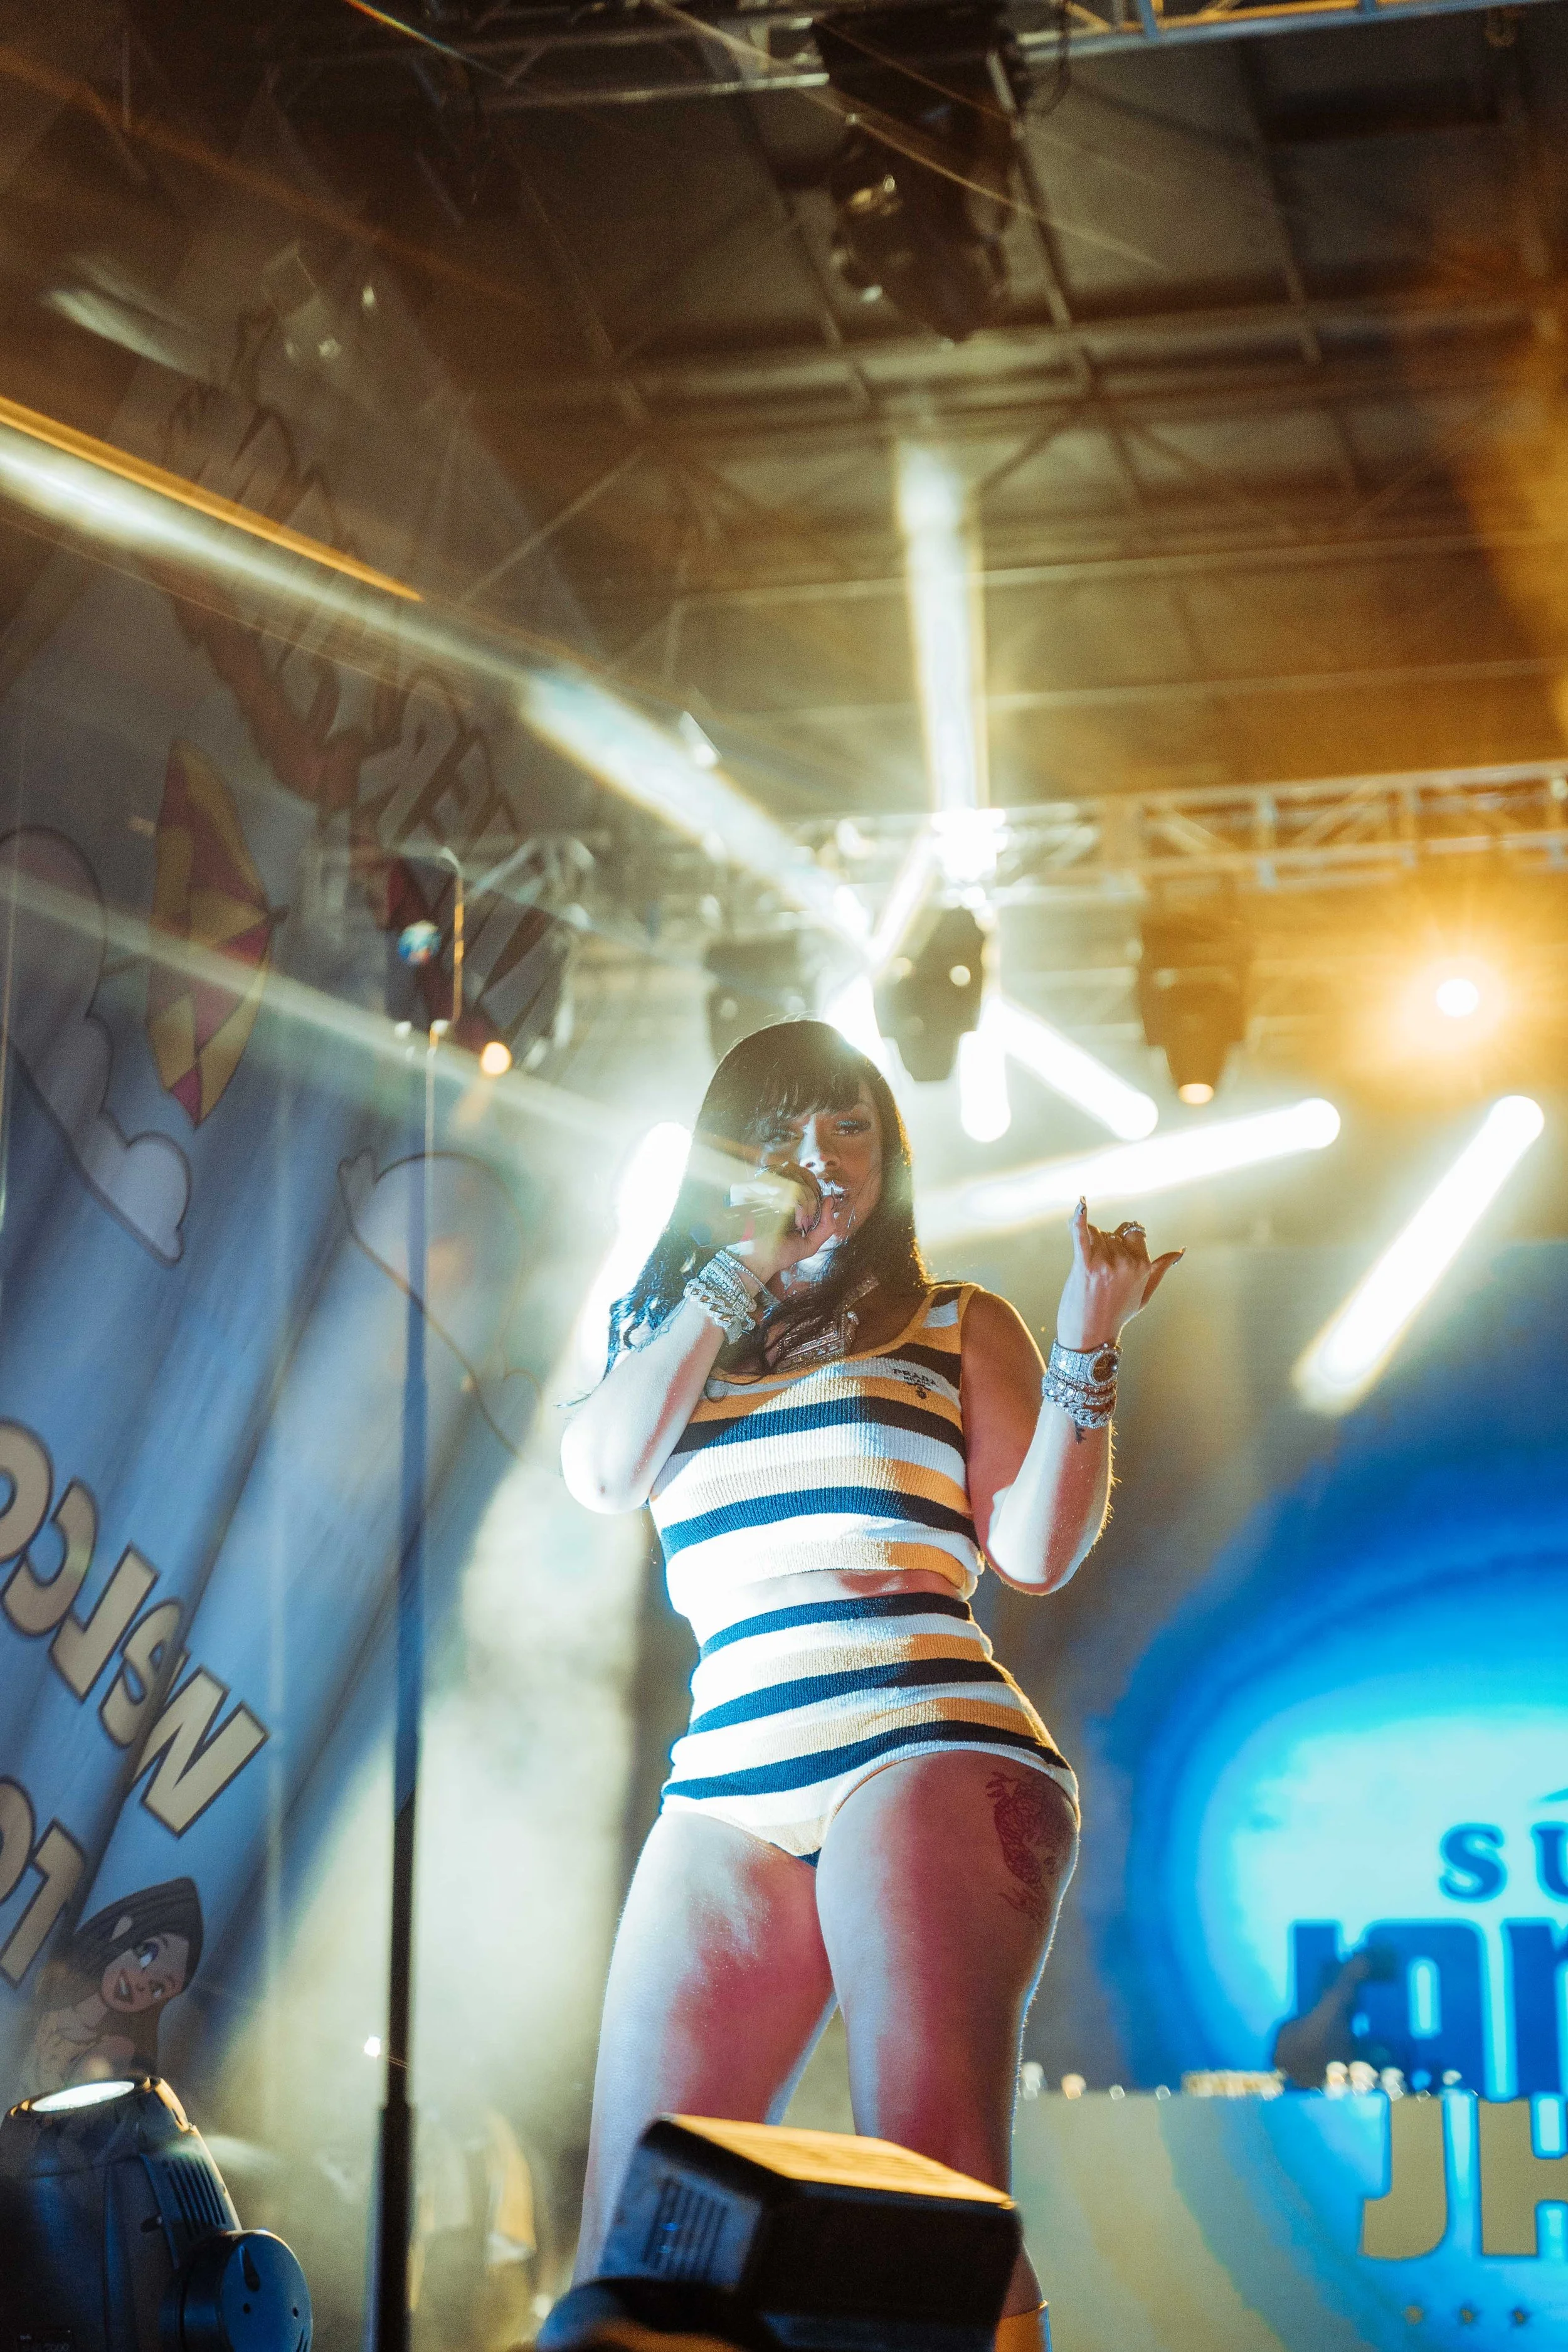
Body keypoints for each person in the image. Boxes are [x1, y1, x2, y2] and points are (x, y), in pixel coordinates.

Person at [561, 1022, 1180, 2350]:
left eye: (846, 1127)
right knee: (641, 2218)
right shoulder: (663, 1328)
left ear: (889, 1157)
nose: (815, 1156)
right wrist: (739, 1268)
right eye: (783, 1129)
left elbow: (1032, 1550)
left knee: (928, 2179)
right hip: (728, 1770)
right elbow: (605, 1476)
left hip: (923, 1733)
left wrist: (1086, 1345)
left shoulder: (954, 1320)